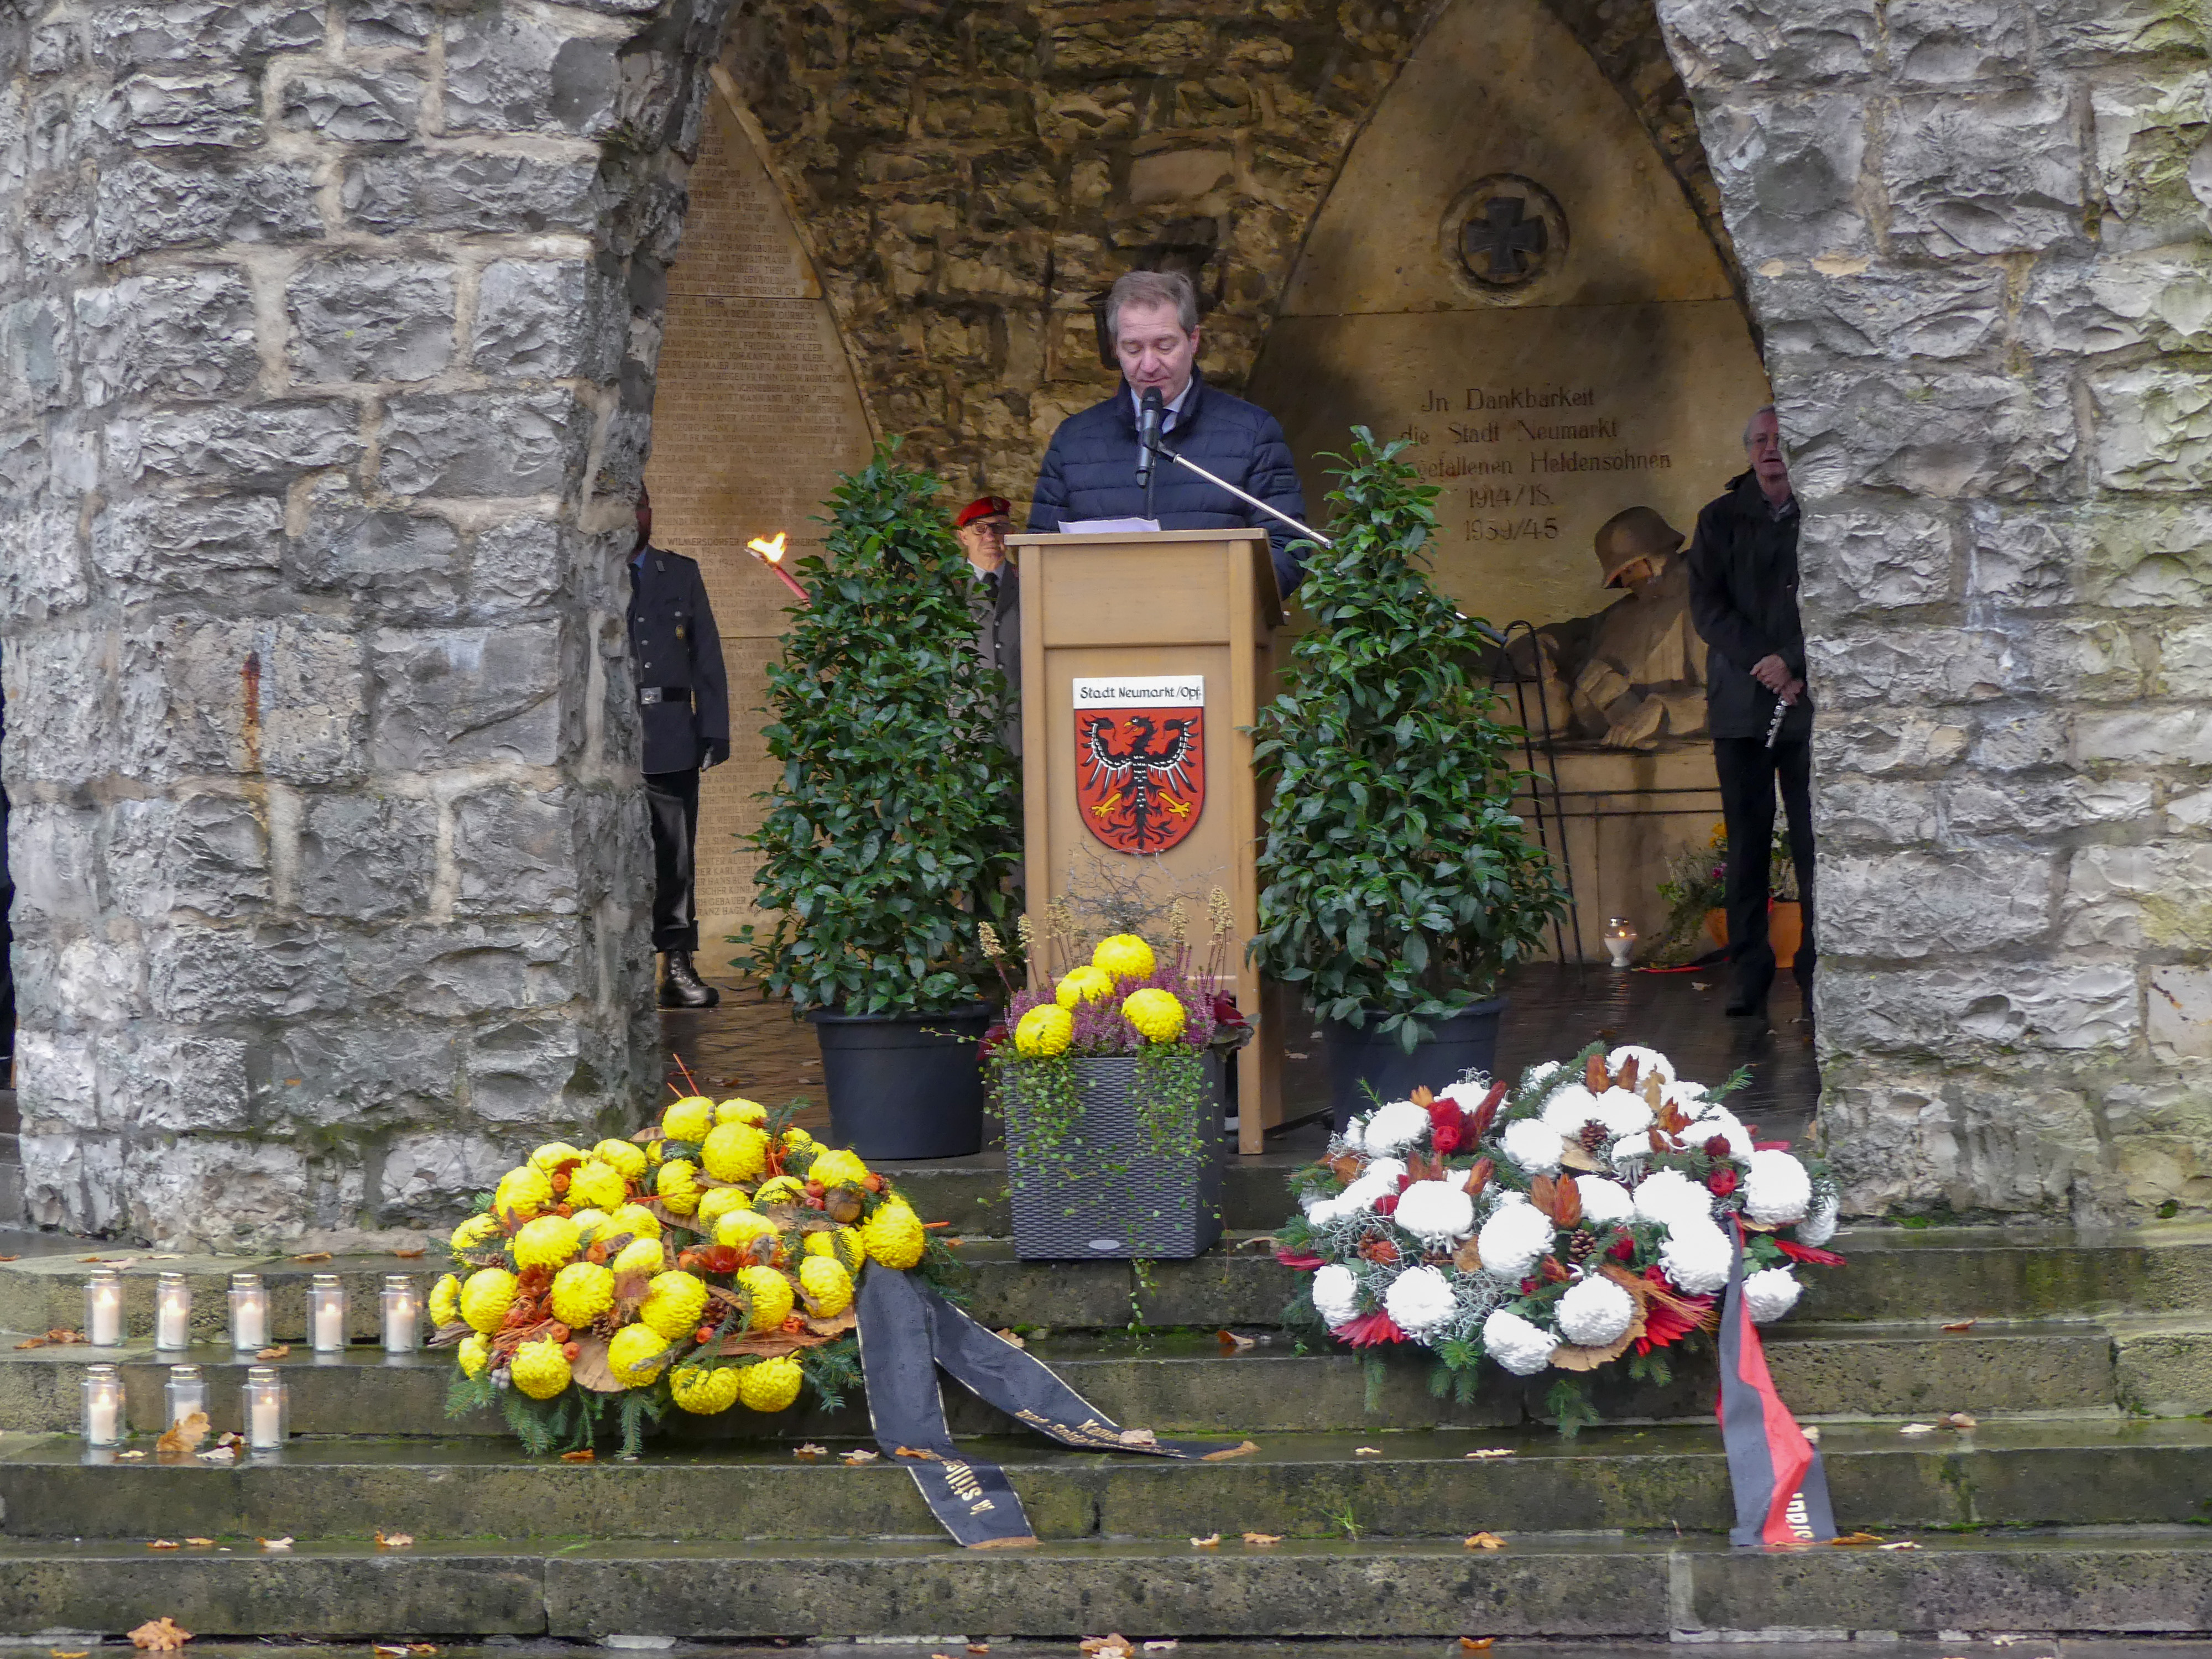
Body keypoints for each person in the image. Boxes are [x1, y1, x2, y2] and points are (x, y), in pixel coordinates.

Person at [1027, 269, 1310, 598]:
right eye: (1133, 349)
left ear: (1193, 340)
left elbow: (1288, 546)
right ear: (1115, 349)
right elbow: (1039, 558)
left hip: (1217, 637)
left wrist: (1215, 601)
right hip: (1102, 637)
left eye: (1164, 346)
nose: (1149, 365)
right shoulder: (1074, 441)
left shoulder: (1251, 432)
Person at [1686, 405, 1814, 1021]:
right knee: (1747, 845)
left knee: (1816, 844)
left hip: (1806, 706)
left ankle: (1817, 969)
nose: (1770, 449)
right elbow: (1707, 609)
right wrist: (1763, 660)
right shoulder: (1717, 521)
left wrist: (1793, 661)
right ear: (1746, 453)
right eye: (1760, 440)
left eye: (1779, 440)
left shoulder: (1818, 517)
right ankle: (1749, 974)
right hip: (1741, 706)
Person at [626, 484, 731, 1009]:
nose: (635, 514)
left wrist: (714, 729)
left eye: (641, 505)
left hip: (669, 732)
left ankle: (678, 964)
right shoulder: (587, 567)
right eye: (627, 504)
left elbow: (706, 653)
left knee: (675, 857)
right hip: (606, 738)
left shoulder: (679, 572)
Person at [1524, 505, 1707, 748]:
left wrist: (1662, 710)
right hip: (1569, 712)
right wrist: (1538, 646)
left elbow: (1734, 698)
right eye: (1621, 576)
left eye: (1630, 569)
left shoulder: (1702, 603)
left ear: (1656, 556)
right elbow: (1573, 633)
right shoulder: (1624, 612)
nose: (1627, 582)